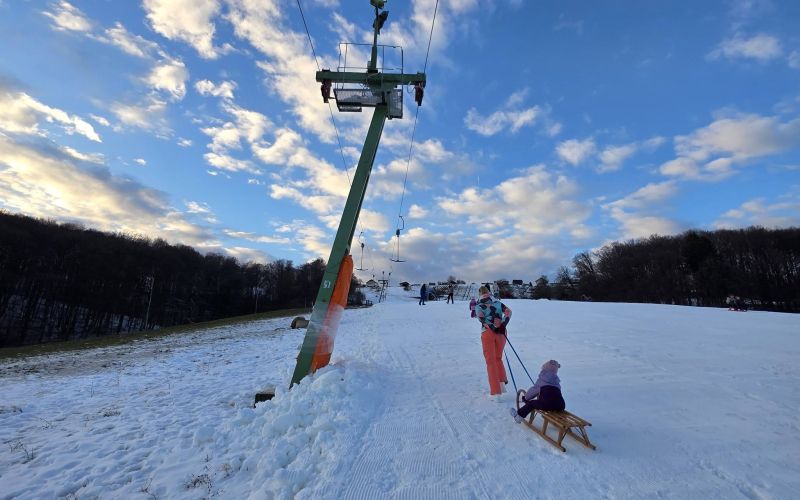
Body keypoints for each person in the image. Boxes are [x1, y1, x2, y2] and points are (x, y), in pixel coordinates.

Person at [475, 285, 512, 396]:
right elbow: (509, 312)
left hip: (488, 333)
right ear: (489, 292)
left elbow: (481, 319)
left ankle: (496, 391)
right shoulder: (498, 303)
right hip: (501, 332)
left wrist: (493, 327)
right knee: (498, 358)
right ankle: (501, 385)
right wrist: (503, 324)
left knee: (490, 361)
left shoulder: (479, 305)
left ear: (480, 294)